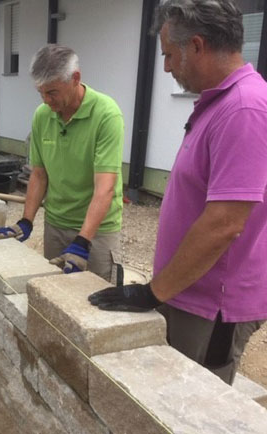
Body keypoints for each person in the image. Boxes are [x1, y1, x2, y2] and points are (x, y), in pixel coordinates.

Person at [89, 0, 267, 385]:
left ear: (198, 46)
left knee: (193, 403)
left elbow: (224, 223)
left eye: (170, 55)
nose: (167, 67)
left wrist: (153, 292)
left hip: (211, 305)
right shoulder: (219, 103)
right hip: (190, 294)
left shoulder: (243, 109)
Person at [0, 44, 124, 282]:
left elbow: (105, 188)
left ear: (75, 78)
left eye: (52, 92)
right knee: (55, 297)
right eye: (40, 93)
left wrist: (83, 242)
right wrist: (26, 220)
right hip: (56, 226)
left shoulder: (106, 115)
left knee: (96, 305)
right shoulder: (43, 115)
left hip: (98, 232)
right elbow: (39, 175)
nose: (46, 100)